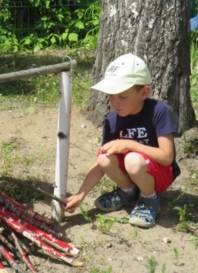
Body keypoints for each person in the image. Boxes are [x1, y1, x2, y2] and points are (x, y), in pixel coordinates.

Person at [64, 54, 180, 228]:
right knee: (104, 157)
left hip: (159, 174)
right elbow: (101, 163)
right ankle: (129, 192)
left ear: (144, 92)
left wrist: (130, 145)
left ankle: (149, 200)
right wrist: (81, 195)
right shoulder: (112, 120)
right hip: (133, 171)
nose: (115, 103)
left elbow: (166, 158)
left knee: (132, 160)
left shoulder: (158, 111)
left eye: (123, 97)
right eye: (111, 96)